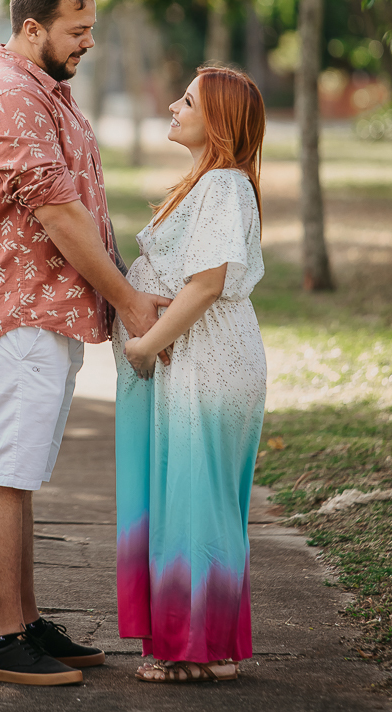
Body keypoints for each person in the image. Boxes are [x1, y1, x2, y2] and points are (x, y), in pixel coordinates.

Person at [0, 0, 169, 687]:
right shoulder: (14, 96)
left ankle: (26, 621)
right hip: (20, 313)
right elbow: (60, 214)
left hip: (44, 311)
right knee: (5, 472)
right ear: (31, 27)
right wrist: (130, 302)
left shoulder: (44, 87)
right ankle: (4, 640)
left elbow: (80, 206)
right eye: (77, 30)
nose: (88, 42)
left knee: (20, 474)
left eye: (91, 28)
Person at [113, 64, 267, 684]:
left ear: (219, 122)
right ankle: (206, 645)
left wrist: (146, 346)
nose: (174, 108)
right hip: (190, 358)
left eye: (187, 101)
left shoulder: (225, 184)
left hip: (204, 361)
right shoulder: (210, 182)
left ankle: (195, 650)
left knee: (197, 501)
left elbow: (206, 285)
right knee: (191, 498)